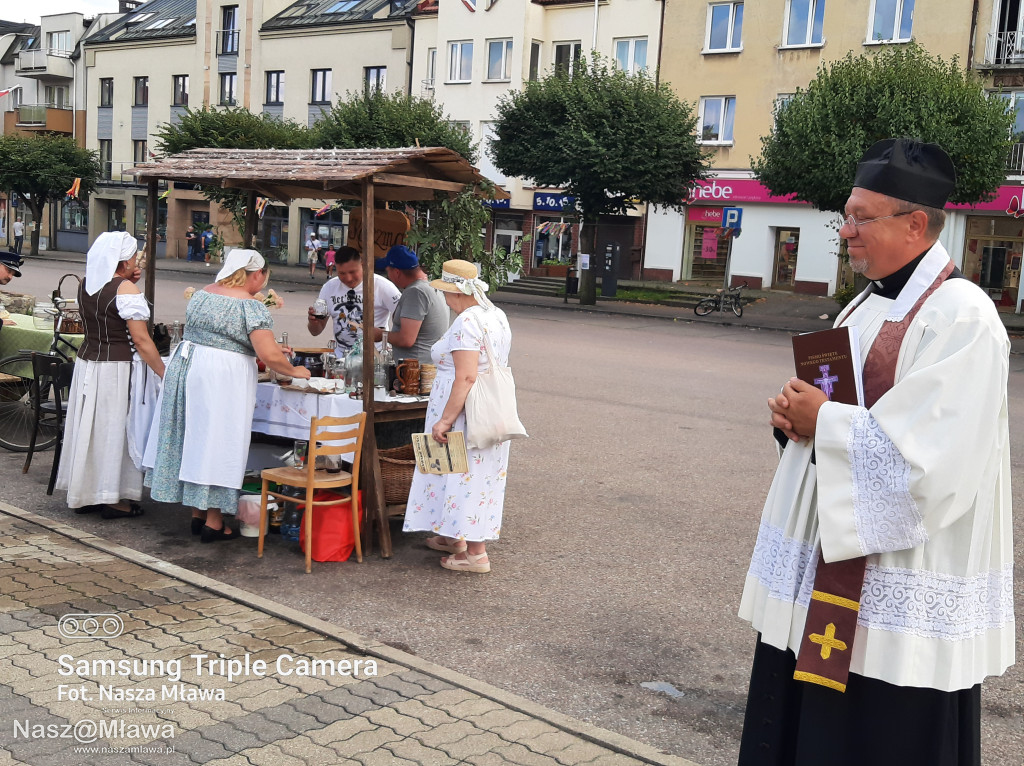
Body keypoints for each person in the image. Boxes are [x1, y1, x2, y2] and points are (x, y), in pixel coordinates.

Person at [738, 138, 1013, 766]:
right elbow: (839, 405)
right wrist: (794, 419)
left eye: (863, 217)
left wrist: (825, 422)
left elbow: (932, 466)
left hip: (896, 584)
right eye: (848, 214)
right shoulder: (865, 303)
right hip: (826, 573)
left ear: (916, 222)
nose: (847, 230)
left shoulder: (962, 318)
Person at [145, 249, 310, 542]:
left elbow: (222, 336)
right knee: (218, 442)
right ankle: (214, 521)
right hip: (221, 376)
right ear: (256, 274)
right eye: (263, 278)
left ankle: (197, 513)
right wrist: (296, 370)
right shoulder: (251, 306)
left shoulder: (203, 295)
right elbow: (268, 354)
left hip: (189, 365)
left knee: (195, 438)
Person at [403, 259, 514, 574]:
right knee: (463, 474)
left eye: (446, 292)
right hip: (488, 410)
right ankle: (455, 535)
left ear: (455, 292)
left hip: (465, 413)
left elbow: (465, 376)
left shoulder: (467, 322)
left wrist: (445, 420)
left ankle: (475, 553)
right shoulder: (495, 315)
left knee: (464, 474)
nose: (445, 299)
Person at [55, 232, 166, 518]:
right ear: (124, 260)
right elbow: (141, 340)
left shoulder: (85, 284)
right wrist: (163, 372)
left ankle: (86, 492)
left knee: (91, 429)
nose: (136, 261)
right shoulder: (125, 290)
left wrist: (128, 280)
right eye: (133, 257)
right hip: (116, 368)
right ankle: (113, 498)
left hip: (88, 363)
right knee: (115, 429)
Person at [307, 245, 400, 356]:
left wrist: (384, 335)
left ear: (362, 265)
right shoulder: (329, 287)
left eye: (352, 272)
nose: (348, 278)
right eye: (342, 273)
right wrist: (313, 322)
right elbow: (315, 331)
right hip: (340, 360)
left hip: (375, 357)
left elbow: (404, 325)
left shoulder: (383, 286)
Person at [374, 245, 449, 363]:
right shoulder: (431, 287)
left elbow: (406, 339)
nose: (388, 276)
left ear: (397, 272)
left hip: (415, 372)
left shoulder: (416, 292)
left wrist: (381, 335)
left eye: (388, 271)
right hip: (425, 367)